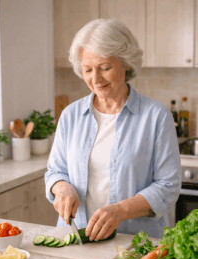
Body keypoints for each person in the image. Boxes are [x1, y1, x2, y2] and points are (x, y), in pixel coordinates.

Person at [45, 19, 181, 240]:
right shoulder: (71, 115)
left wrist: (120, 211)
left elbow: (168, 186)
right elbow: (55, 171)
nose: (95, 79)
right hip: (75, 239)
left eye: (105, 68)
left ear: (126, 63)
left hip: (135, 244)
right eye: (87, 70)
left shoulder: (156, 116)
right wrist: (62, 188)